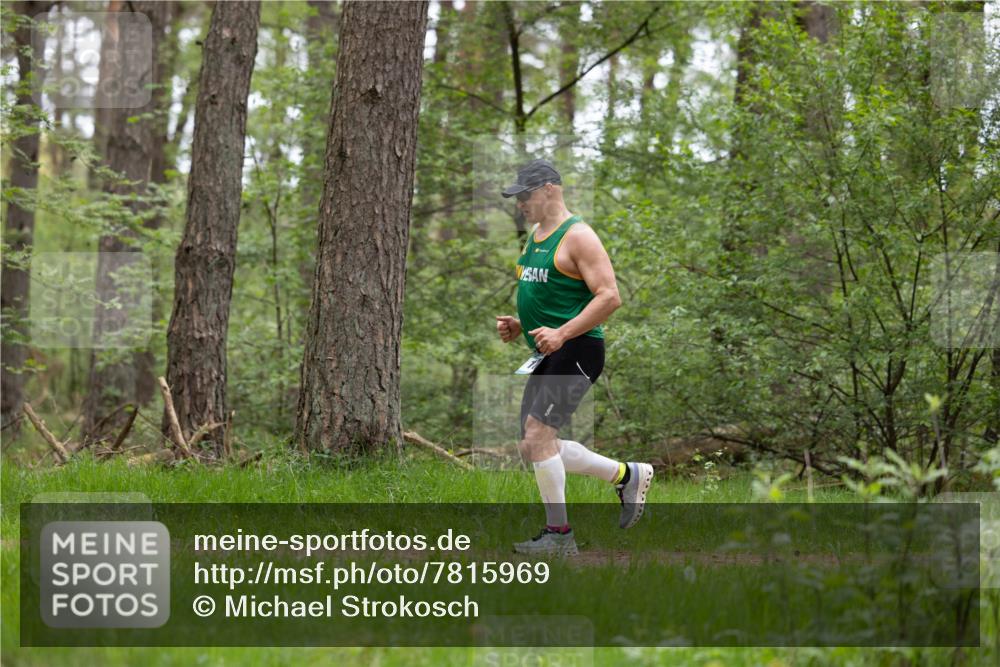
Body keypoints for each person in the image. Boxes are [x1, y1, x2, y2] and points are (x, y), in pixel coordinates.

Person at [496, 159, 653, 557]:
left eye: (525, 195)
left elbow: (610, 296)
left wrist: (562, 333)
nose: (520, 204)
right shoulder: (536, 236)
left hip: (579, 348)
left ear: (549, 189)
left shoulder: (579, 236)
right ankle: (626, 475)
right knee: (534, 444)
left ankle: (559, 536)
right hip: (549, 350)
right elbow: (554, 296)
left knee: (538, 436)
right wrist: (521, 323)